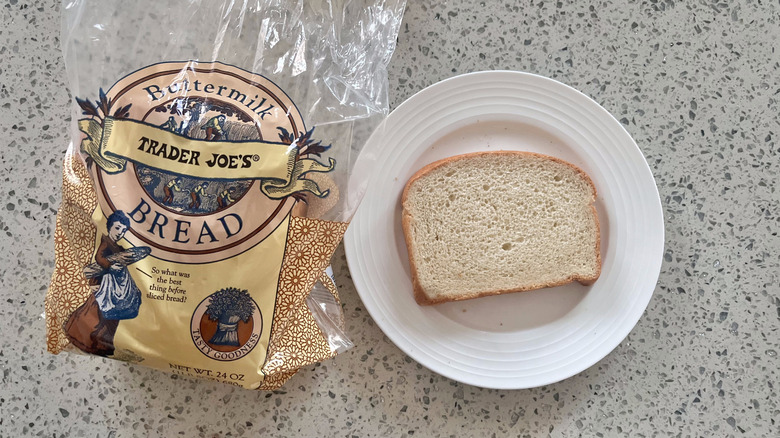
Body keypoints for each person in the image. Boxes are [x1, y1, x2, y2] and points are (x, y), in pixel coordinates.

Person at [64, 211, 146, 357]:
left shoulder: (120, 248)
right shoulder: (105, 241)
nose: (120, 233)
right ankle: (84, 339)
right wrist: (109, 265)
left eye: (123, 230)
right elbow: (99, 257)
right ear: (109, 226)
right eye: (117, 228)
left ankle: (103, 345)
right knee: (96, 313)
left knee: (111, 318)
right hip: (103, 284)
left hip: (116, 287)